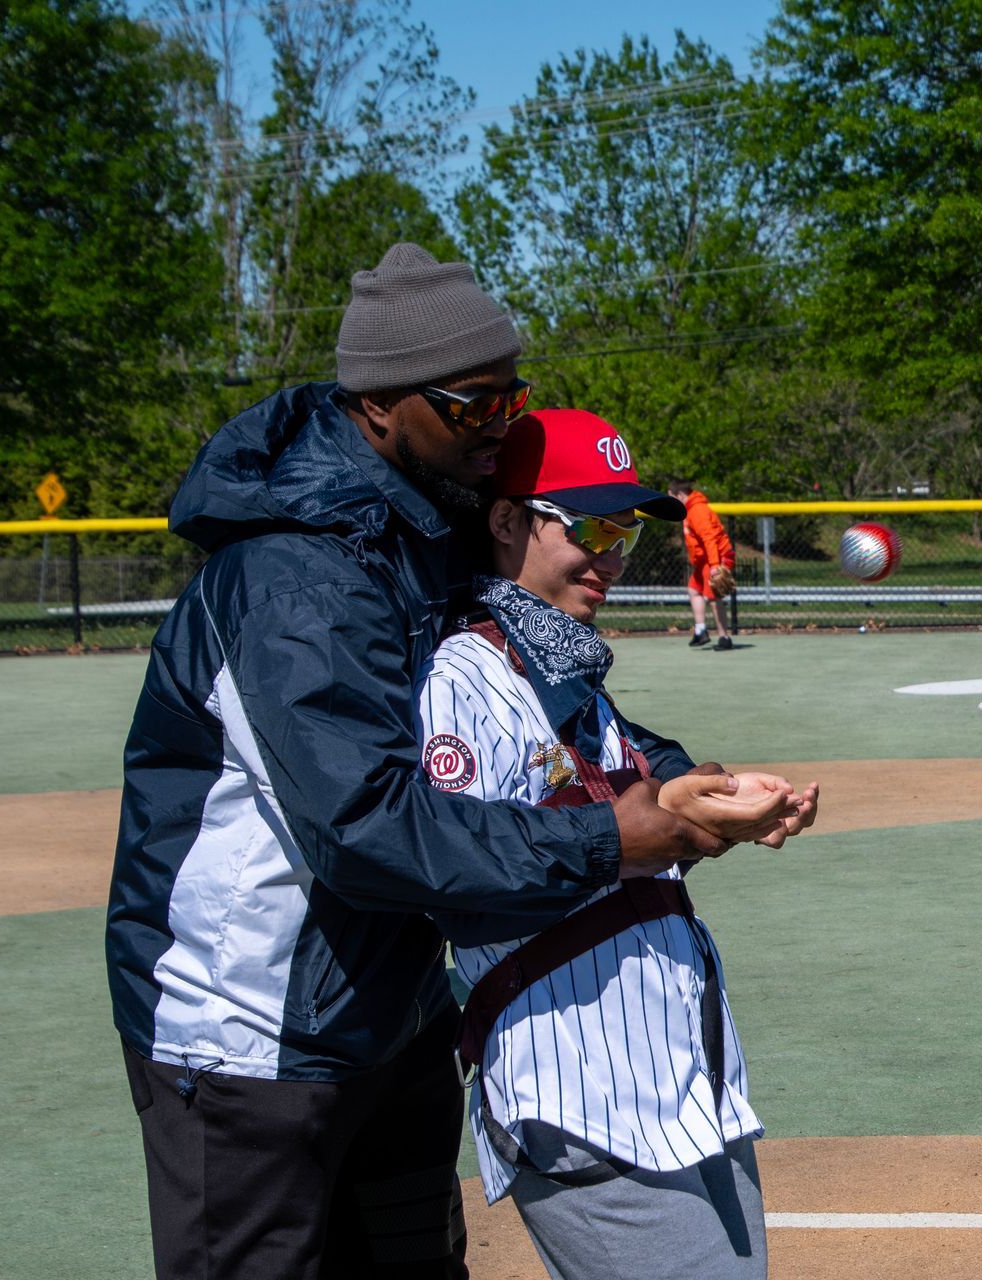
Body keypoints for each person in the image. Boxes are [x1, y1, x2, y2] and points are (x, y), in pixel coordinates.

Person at [106, 243, 750, 1280]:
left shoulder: (430, 523)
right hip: (250, 1037)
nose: (500, 425)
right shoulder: (294, 576)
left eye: (512, 397)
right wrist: (609, 838)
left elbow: (543, 699)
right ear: (378, 405)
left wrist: (663, 776)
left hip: (395, 1014)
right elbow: (363, 826)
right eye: (473, 404)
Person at [416, 408, 818, 1279]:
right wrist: (632, 832)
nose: (614, 556)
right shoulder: (462, 680)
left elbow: (621, 798)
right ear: (506, 521)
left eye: (626, 531)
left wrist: (708, 807)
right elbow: (455, 870)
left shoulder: (564, 669)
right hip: (581, 1090)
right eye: (592, 528)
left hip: (677, 1079)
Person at [669, 478, 737, 650]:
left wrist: (714, 565)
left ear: (680, 495)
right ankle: (701, 631)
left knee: (714, 597)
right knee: (694, 590)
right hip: (704, 560)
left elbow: (709, 539)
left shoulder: (697, 510)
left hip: (715, 557)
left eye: (672, 497)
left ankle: (724, 638)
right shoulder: (690, 509)